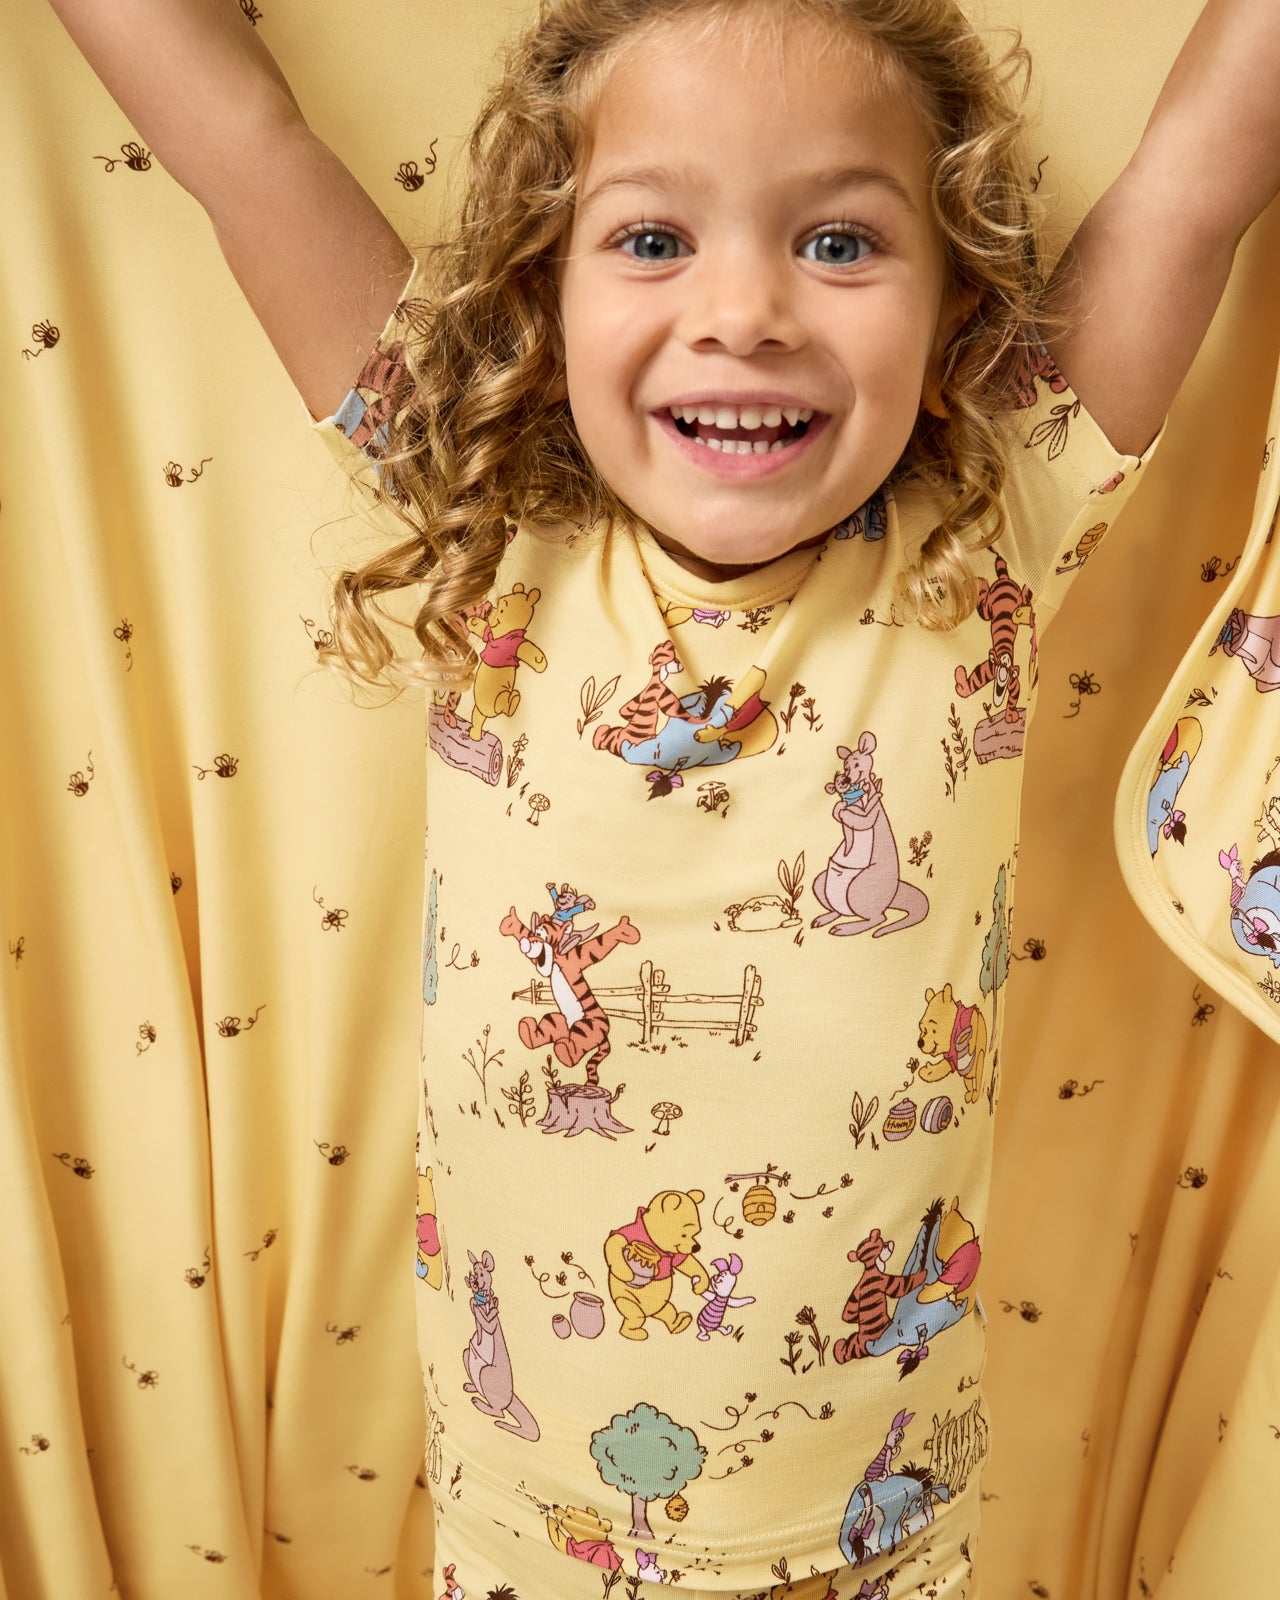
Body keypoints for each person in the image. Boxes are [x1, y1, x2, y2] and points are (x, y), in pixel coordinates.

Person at [44, 0, 1280, 1595]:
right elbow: (236, 135)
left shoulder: (982, 538)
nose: (748, 311)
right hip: (523, 1528)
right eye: (650, 240)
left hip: (878, 1535)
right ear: (537, 296)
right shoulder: (482, 523)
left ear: (955, 297)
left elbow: (1194, 173)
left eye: (841, 242)